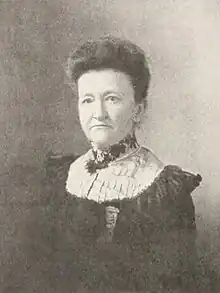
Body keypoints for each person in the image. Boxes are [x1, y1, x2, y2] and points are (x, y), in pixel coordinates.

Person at [26, 36, 211, 293]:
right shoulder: (62, 177)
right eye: (87, 99)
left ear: (138, 109)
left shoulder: (165, 193)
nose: (98, 113)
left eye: (111, 98)